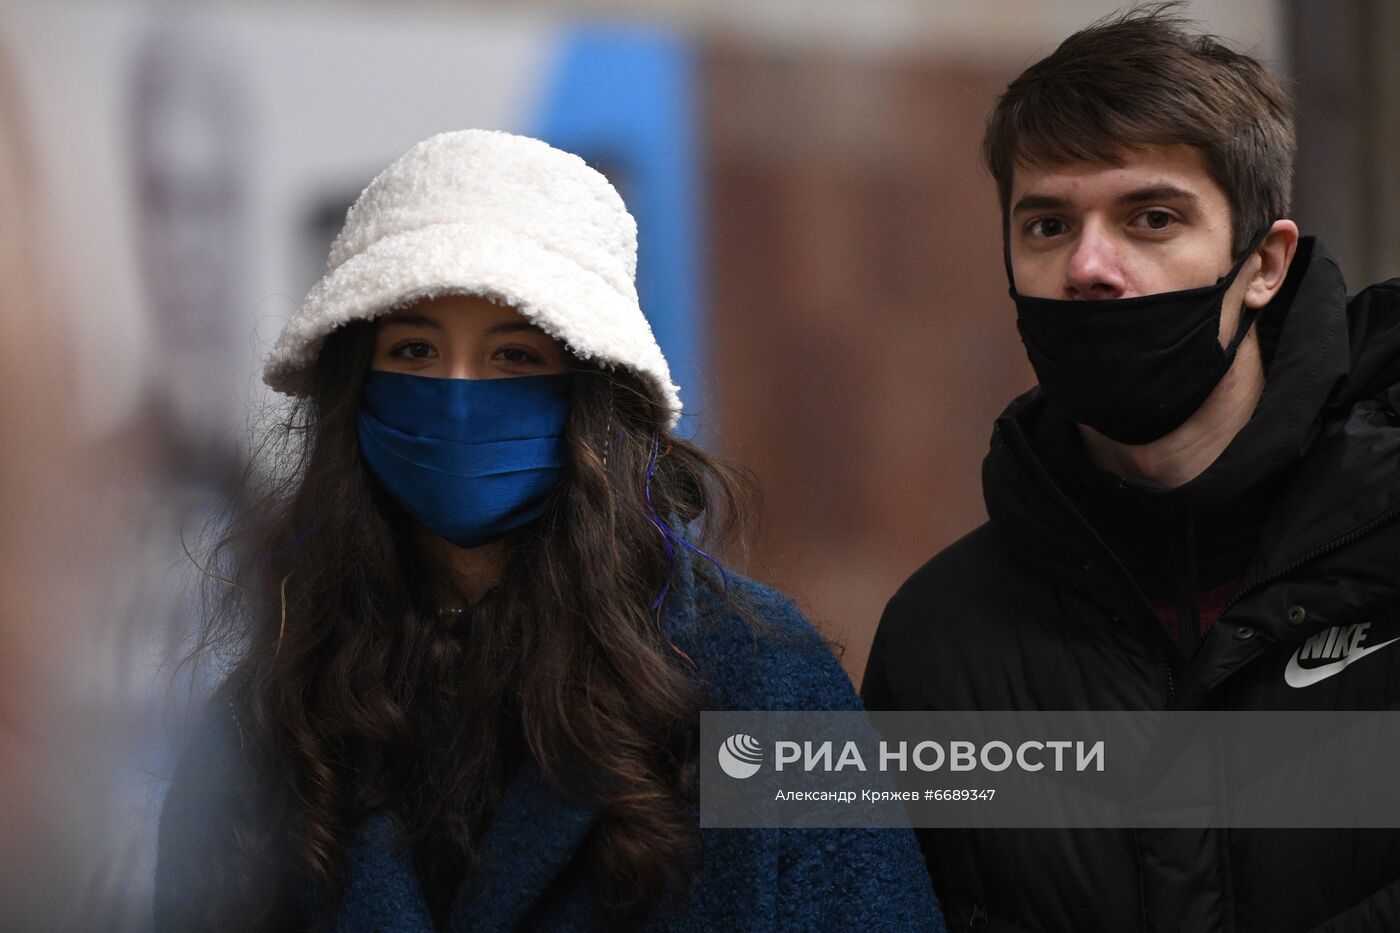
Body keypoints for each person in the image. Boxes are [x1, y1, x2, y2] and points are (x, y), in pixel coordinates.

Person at [154, 129, 943, 932]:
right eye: (416, 349)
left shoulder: (758, 685)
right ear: (355, 389)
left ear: (594, 395)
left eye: (515, 356)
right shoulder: (271, 715)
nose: (459, 395)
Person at [862, 6, 1400, 933]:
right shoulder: (938, 645)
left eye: (1152, 218)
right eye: (1046, 225)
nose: (1089, 267)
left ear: (1264, 262)